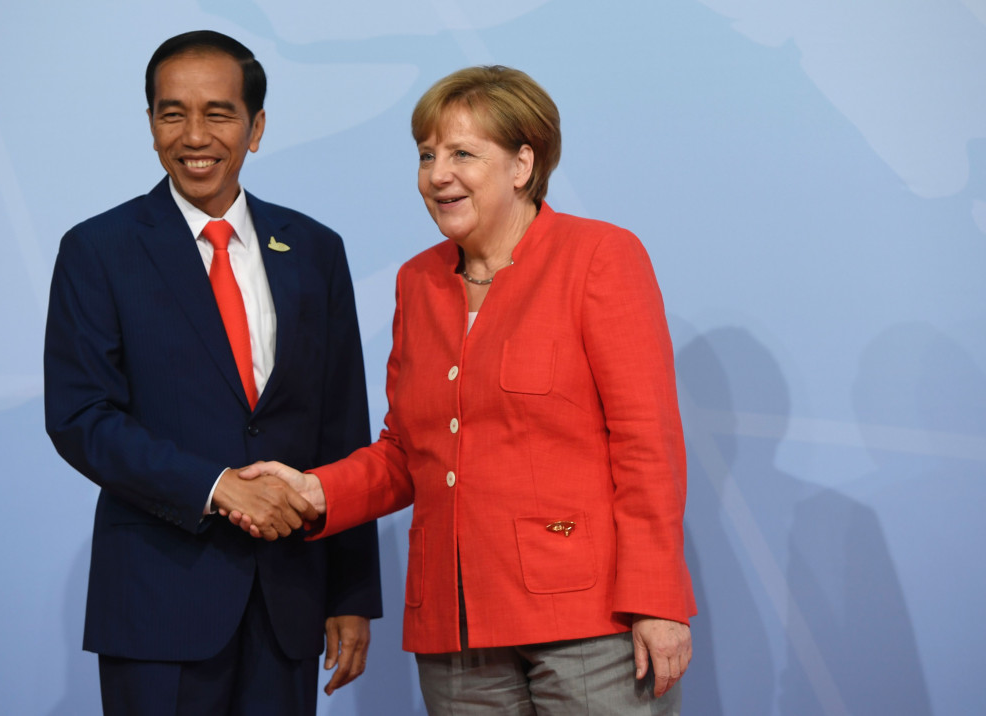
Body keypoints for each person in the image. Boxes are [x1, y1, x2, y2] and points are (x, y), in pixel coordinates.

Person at [238, 65, 695, 714]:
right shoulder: (416, 282)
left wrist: (657, 601)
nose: (437, 174)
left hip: (591, 623)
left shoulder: (600, 257)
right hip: (454, 630)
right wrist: (312, 490)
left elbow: (648, 444)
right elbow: (406, 453)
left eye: (462, 154)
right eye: (426, 156)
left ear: (522, 164)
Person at [43, 30, 381, 716]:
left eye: (219, 113)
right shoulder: (97, 250)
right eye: (173, 113)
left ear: (256, 128)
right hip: (157, 605)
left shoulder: (315, 249)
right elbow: (83, 420)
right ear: (150, 126)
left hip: (288, 603)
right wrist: (217, 487)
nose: (195, 135)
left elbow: (343, 428)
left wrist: (350, 595)